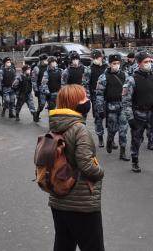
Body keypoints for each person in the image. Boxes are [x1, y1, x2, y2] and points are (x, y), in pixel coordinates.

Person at [48, 84, 104, 251]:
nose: (87, 100)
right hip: (81, 202)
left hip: (58, 198)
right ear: (74, 103)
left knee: (63, 244)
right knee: (93, 246)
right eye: (83, 97)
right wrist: (100, 172)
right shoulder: (79, 129)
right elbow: (87, 164)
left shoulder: (56, 126)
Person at [122, 51, 153, 177]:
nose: (149, 64)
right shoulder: (131, 80)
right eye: (146, 62)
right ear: (139, 63)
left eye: (150, 61)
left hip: (152, 114)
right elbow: (126, 101)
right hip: (138, 115)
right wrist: (130, 118)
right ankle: (135, 160)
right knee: (137, 140)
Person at [96, 54, 130, 161]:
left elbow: (130, 91)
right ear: (110, 64)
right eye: (114, 63)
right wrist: (100, 109)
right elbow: (99, 94)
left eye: (118, 63)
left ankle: (123, 152)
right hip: (111, 106)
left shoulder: (125, 75)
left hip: (123, 106)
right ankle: (109, 139)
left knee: (123, 129)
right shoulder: (103, 77)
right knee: (112, 129)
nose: (116, 65)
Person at [89, 49, 108, 147]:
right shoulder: (89, 69)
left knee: (111, 118)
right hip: (96, 96)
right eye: (94, 58)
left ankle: (111, 139)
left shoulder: (107, 67)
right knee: (98, 118)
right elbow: (86, 84)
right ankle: (100, 138)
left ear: (102, 57)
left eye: (98, 57)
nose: (96, 59)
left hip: (108, 95)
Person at [31, 53, 49, 121]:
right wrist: (36, 90)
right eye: (44, 60)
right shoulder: (37, 68)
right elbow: (34, 80)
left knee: (51, 105)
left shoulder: (48, 67)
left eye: (46, 59)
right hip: (41, 89)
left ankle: (51, 118)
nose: (46, 61)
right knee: (42, 105)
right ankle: (37, 114)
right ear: (41, 60)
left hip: (49, 88)